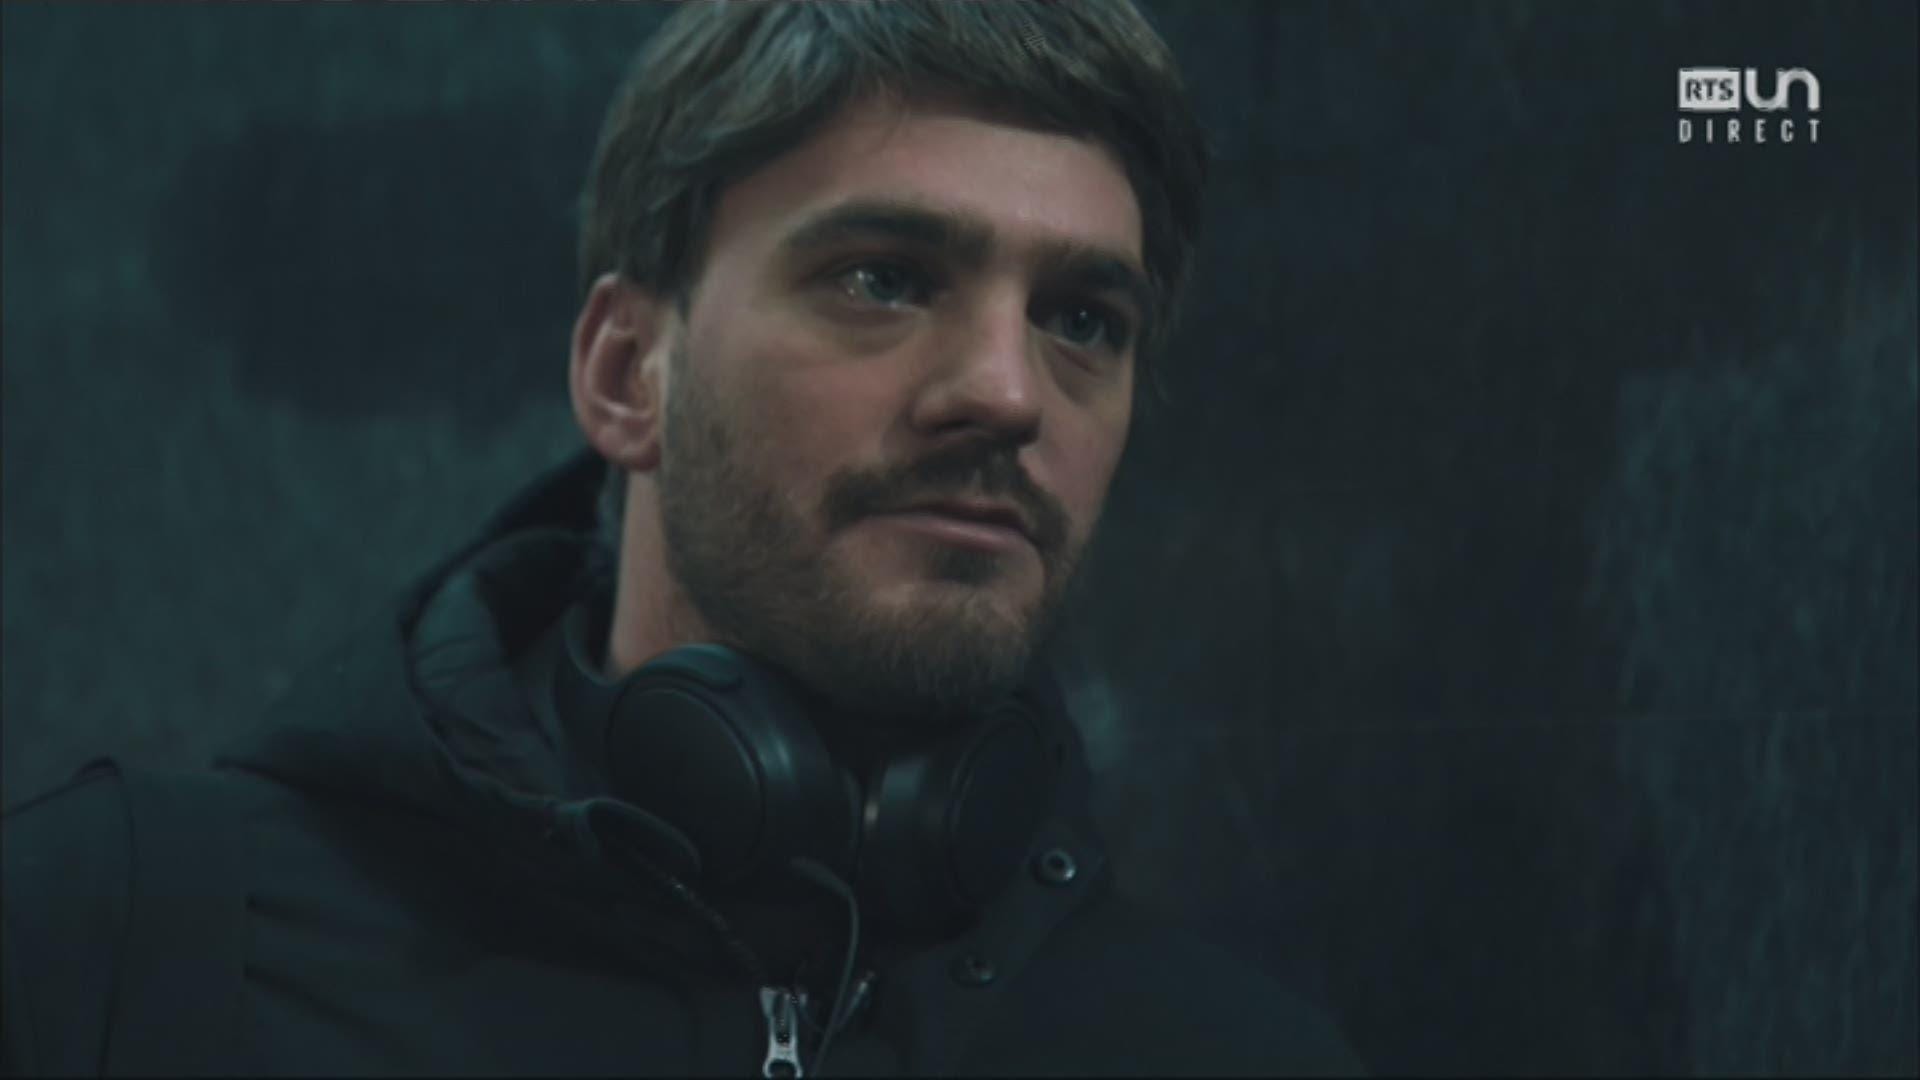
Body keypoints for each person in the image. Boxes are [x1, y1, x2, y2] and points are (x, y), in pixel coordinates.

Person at [2, 2, 1366, 1075]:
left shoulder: (1238, 1059)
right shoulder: (118, 950)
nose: (1008, 393)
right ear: (626, 374)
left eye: (1081, 320)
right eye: (884, 279)